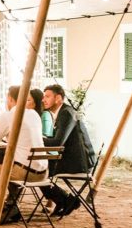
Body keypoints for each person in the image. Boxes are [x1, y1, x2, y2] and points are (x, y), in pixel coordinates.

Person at [0, 86, 47, 222]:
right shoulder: (34, 114)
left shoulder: (8, 116)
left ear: (10, 99)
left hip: (24, 172)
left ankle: (3, 207)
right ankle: (11, 206)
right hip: (43, 171)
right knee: (8, 167)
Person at [41, 84, 96, 217]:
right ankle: (63, 200)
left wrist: (37, 139)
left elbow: (58, 143)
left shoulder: (66, 113)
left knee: (36, 170)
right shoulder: (64, 111)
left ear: (58, 98)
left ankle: (66, 200)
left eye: (47, 96)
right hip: (75, 158)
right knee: (37, 169)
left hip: (80, 162)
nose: (43, 100)